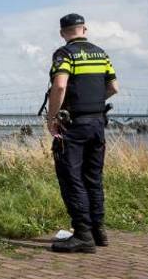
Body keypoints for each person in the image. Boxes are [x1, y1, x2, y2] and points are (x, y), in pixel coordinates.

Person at [47, 13, 119, 253]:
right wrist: (95, 103)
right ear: (84, 29)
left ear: (62, 32)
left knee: (71, 177)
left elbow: (59, 85)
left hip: (74, 125)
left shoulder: (64, 53)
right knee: (93, 177)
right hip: (98, 123)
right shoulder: (102, 53)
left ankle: (82, 234)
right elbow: (113, 87)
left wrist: (54, 117)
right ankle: (99, 231)